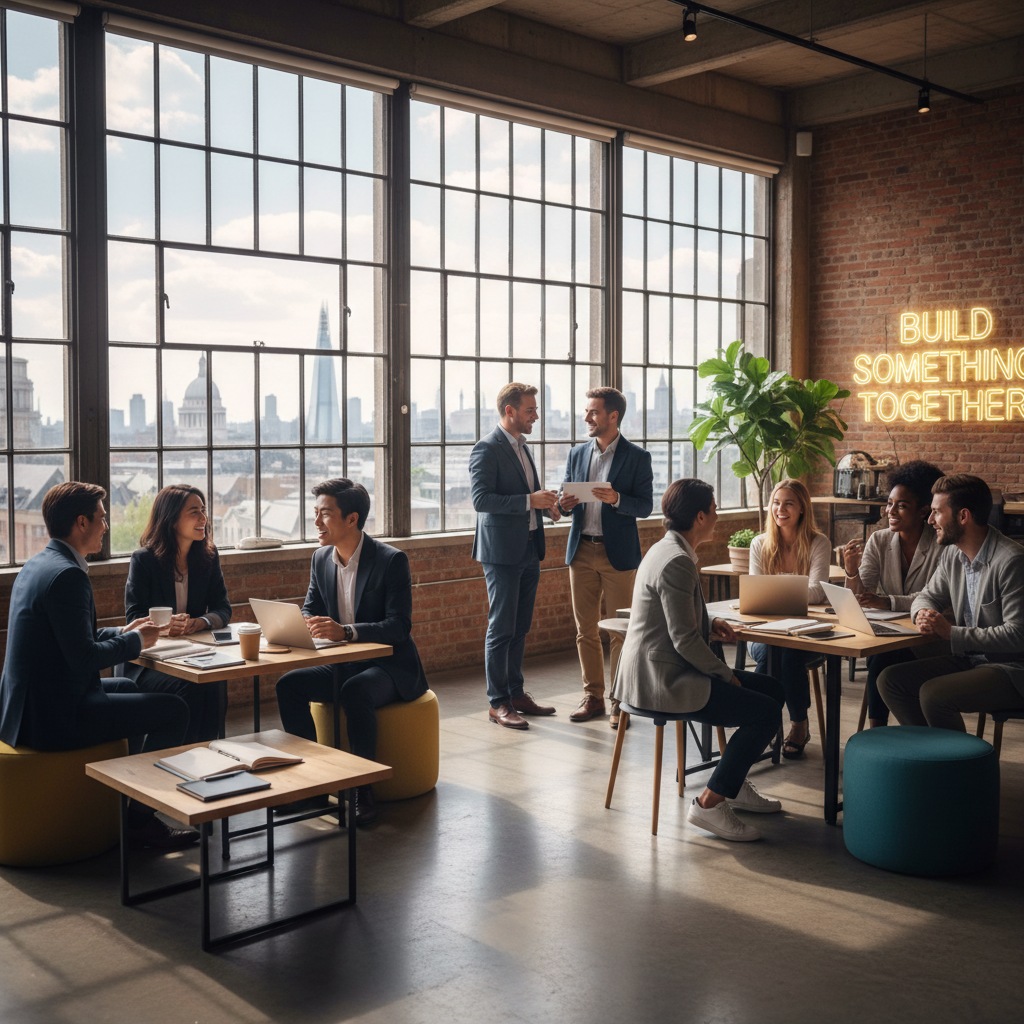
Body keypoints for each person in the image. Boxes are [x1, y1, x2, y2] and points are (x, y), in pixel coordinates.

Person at [0, 482, 195, 849]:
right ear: (81, 523)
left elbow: (74, 637)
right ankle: (139, 819)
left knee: (128, 687)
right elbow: (84, 658)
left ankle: (125, 799)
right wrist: (137, 642)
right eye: (102, 519)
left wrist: (125, 629)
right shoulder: (69, 576)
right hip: (51, 718)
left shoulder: (41, 564)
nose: (106, 526)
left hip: (27, 707)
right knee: (174, 711)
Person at [612, 478, 785, 842]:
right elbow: (684, 640)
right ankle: (709, 803)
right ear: (701, 516)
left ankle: (731, 785)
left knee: (771, 689)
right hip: (662, 679)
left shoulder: (668, 549)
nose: (718, 514)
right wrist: (727, 676)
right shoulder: (676, 560)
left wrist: (711, 622)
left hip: (663, 667)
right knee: (765, 711)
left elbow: (679, 619)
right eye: (715, 508)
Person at [275, 478, 428, 824]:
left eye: (324, 515)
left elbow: (399, 627)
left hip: (388, 667)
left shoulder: (391, 561)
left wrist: (345, 632)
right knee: (289, 685)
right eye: (315, 513)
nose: (316, 523)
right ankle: (310, 785)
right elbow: (310, 607)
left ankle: (363, 790)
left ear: (351, 519)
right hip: (342, 662)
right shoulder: (320, 559)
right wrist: (298, 624)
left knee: (355, 691)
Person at [878, 474, 1024, 730]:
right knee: (890, 680)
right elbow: (927, 595)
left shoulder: (1011, 561)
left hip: (1011, 668)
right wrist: (923, 612)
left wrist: (951, 632)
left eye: (936, 512)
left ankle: (960, 766)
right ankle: (934, 757)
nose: (930, 519)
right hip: (970, 659)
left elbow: (1018, 635)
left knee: (934, 694)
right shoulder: (952, 554)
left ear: (963, 516)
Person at [558, 387, 653, 728]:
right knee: (585, 630)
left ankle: (620, 700)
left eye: (594, 412)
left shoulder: (637, 457)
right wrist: (562, 504)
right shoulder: (577, 454)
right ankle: (593, 696)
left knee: (620, 631)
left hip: (618, 555)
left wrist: (616, 499)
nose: (587, 418)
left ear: (613, 416)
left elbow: (645, 505)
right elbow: (562, 497)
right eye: (586, 411)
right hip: (581, 549)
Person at [469, 383, 561, 730]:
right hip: (501, 553)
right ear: (510, 411)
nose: (536, 415)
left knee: (520, 626)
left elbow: (528, 496)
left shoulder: (524, 447)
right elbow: (482, 501)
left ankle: (517, 693)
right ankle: (498, 703)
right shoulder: (486, 449)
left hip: (529, 547)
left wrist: (546, 508)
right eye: (530, 410)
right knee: (501, 627)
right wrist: (529, 502)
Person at [842, 460, 946, 728]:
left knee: (883, 660)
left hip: (928, 636)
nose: (891, 511)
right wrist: (851, 571)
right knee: (882, 656)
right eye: (889, 503)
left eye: (901, 505)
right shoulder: (880, 540)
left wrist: (886, 601)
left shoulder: (941, 545)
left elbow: (933, 597)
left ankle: (878, 729)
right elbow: (860, 596)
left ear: (924, 511)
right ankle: (880, 729)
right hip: (891, 631)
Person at [124, 485, 232, 743]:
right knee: (192, 688)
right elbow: (134, 616)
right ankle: (179, 758)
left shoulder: (208, 556)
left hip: (193, 654)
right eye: (194, 512)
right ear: (171, 519)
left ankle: (207, 751)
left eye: (203, 510)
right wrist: (163, 627)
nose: (203, 518)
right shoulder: (144, 560)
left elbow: (223, 608)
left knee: (215, 683)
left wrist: (199, 622)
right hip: (149, 662)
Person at [748, 478, 831, 758]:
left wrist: (776, 591)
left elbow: (819, 592)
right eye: (776, 502)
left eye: (789, 503)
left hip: (804, 632)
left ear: (802, 509)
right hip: (764, 631)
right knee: (776, 649)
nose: (780, 509)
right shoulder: (759, 544)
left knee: (788, 652)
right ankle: (775, 720)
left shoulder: (818, 543)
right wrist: (794, 589)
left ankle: (779, 723)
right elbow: (756, 593)